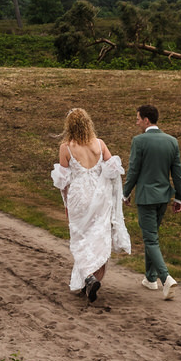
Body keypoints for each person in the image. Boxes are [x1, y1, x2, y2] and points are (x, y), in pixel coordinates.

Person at [50, 107, 132, 303]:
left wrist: (66, 205)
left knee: (80, 239)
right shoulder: (99, 144)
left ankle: (87, 277)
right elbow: (113, 169)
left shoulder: (66, 147)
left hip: (79, 196)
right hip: (99, 196)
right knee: (98, 237)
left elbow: (63, 182)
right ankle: (91, 278)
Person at [121, 103, 181, 300]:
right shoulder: (172, 141)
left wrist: (125, 192)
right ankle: (150, 278)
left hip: (146, 197)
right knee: (153, 237)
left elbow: (133, 169)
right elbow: (177, 173)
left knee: (150, 239)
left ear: (146, 120)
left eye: (138, 118)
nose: (137, 121)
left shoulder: (139, 141)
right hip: (164, 197)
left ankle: (165, 278)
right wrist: (179, 197)